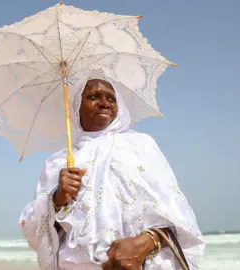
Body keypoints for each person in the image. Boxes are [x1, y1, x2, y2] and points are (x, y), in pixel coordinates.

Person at [19, 72, 205, 270]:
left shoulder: (141, 145)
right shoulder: (57, 163)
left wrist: (144, 244)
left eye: (111, 98)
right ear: (75, 107)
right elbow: (35, 235)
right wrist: (56, 200)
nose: (104, 103)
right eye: (93, 97)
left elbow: (178, 216)